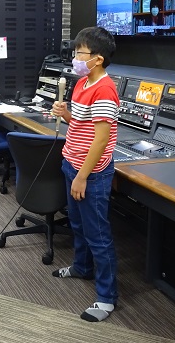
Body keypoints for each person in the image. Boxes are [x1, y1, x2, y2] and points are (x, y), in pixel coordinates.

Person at [51, 26, 119, 322]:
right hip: (72, 163)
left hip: (90, 173)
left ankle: (107, 297)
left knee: (98, 235)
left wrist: (82, 176)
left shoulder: (105, 89)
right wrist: (64, 114)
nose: (75, 58)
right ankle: (82, 267)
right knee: (78, 225)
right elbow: (80, 124)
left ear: (98, 59)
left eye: (80, 53)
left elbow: (101, 140)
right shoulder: (82, 83)